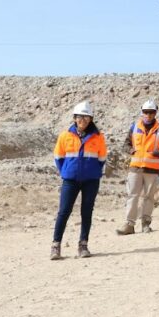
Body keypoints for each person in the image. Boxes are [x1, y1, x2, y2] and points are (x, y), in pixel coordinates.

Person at [51, 101, 107, 260]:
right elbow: (58, 157)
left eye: (86, 117)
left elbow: (102, 158)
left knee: (87, 212)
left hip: (91, 180)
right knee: (63, 212)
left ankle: (83, 245)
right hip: (70, 180)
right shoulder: (65, 136)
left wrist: (94, 172)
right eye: (80, 117)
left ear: (91, 119)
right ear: (75, 118)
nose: (83, 120)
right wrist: (66, 172)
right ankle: (56, 246)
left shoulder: (98, 137)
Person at [116, 100, 159, 236]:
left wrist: (157, 153)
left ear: (155, 113)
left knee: (148, 197)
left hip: (152, 169)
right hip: (135, 168)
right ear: (142, 113)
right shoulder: (134, 127)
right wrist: (131, 151)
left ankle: (146, 223)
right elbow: (126, 144)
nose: (148, 115)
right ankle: (129, 224)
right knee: (132, 196)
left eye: (151, 112)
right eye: (146, 112)